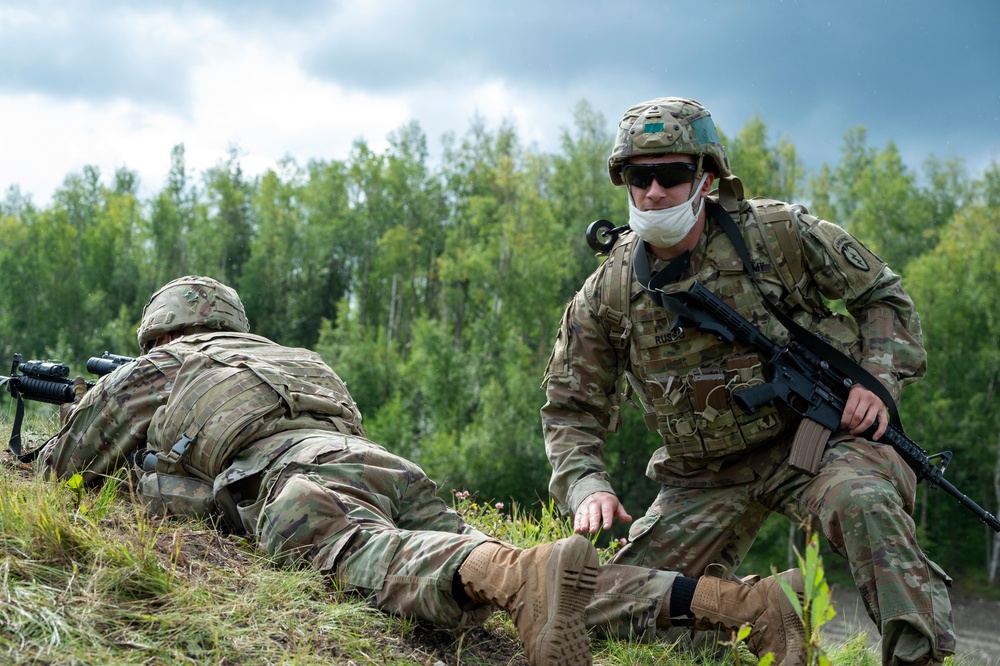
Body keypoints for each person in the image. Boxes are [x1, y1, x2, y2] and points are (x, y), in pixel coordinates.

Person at [37, 275, 805, 666]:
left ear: (159, 334)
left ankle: (515, 578)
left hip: (293, 482)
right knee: (546, 577)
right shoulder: (298, 359)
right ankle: (739, 606)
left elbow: (60, 471)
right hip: (383, 466)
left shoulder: (166, 362)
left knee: (392, 558)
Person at [541, 97, 955, 666]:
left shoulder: (779, 235)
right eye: (640, 177)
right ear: (626, 184)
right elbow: (569, 407)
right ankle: (756, 609)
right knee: (603, 610)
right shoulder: (608, 292)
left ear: (706, 177)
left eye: (673, 174)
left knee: (863, 502)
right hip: (701, 477)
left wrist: (876, 382)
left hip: (814, 443)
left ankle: (919, 657)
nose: (655, 192)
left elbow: (883, 295)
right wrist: (588, 485)